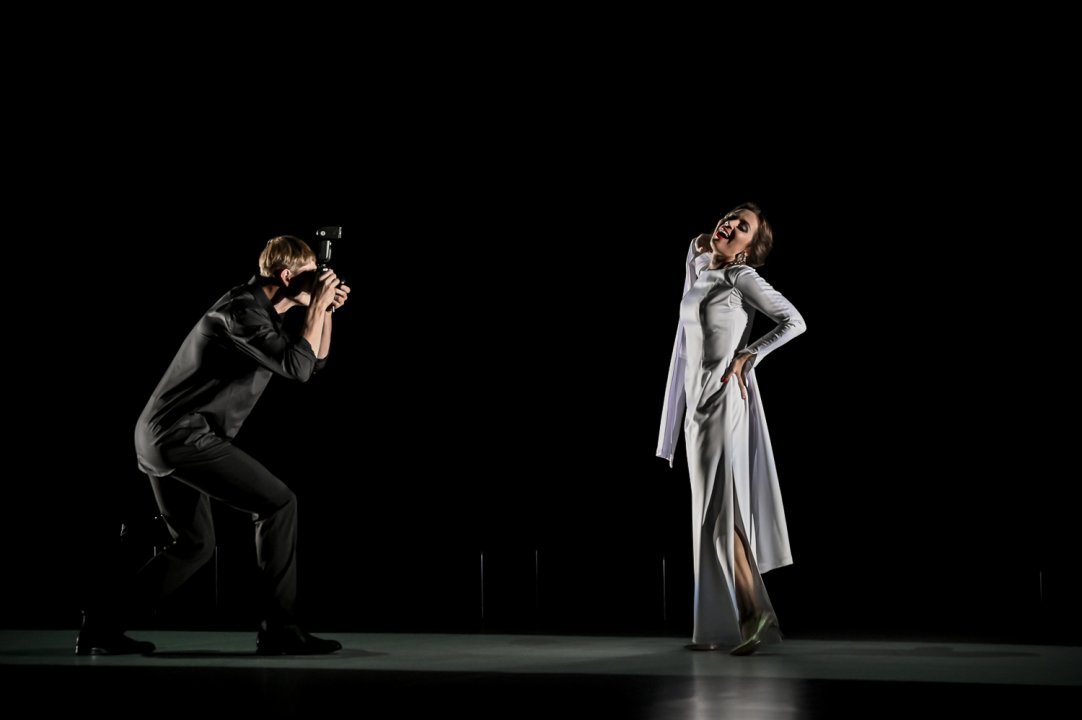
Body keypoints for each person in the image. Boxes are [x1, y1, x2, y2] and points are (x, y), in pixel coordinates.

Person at [76, 235, 350, 655]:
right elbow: (296, 367)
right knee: (278, 503)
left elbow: (313, 364)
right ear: (286, 276)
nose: (319, 282)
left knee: (195, 544)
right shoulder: (240, 311)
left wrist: (324, 310)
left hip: (170, 435)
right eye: (312, 276)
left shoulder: (263, 314)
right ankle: (279, 628)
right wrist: (316, 307)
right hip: (179, 436)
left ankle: (101, 624)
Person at [656, 202, 805, 655]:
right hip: (696, 407)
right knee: (707, 514)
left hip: (723, 401)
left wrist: (749, 354)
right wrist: (709, 243)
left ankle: (755, 614)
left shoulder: (741, 278)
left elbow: (794, 321)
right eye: (731, 217)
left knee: (717, 512)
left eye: (743, 228)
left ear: (748, 249)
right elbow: (695, 249)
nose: (731, 225)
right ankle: (717, 628)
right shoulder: (703, 271)